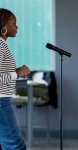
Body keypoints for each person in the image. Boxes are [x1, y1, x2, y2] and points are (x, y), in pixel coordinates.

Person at [0, 8, 30, 150]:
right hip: (1, 102)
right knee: (15, 145)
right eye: (14, 23)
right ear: (4, 25)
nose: (16, 26)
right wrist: (17, 73)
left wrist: (16, 71)